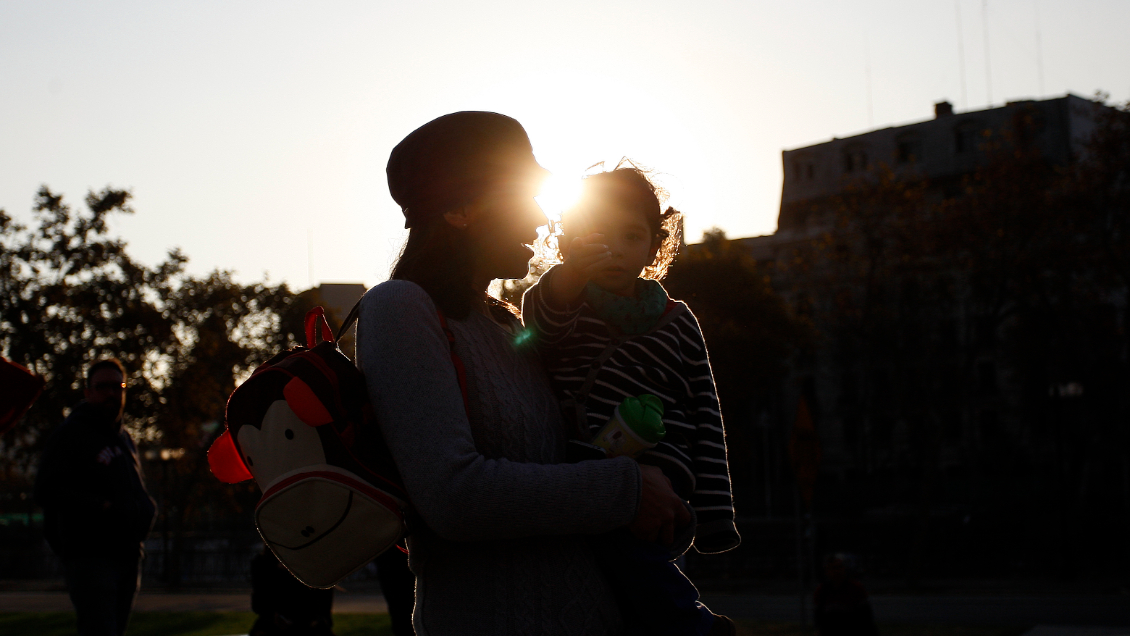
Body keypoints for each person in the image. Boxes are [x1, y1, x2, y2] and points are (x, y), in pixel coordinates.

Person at [355, 111, 691, 636]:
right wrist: (626, 491)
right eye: (525, 195)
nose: (542, 219)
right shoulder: (399, 310)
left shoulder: (511, 325)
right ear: (462, 209)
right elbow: (454, 496)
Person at [521, 166, 740, 636]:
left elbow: (706, 410)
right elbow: (538, 330)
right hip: (582, 462)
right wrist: (570, 277)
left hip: (664, 464)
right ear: (570, 242)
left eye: (631, 235)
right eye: (597, 235)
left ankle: (693, 626)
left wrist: (717, 514)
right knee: (609, 572)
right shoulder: (563, 299)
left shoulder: (678, 320)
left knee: (630, 555)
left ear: (653, 246)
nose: (616, 249)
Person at [34, 358, 156, 636]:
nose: (111, 394)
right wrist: (101, 507)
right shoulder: (71, 434)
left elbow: (134, 490)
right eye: (102, 387)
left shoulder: (125, 439)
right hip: (90, 556)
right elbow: (45, 490)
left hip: (127, 554)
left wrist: (145, 509)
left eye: (118, 387)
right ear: (88, 392)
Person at [250, 546, 335, 636]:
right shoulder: (263, 562)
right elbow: (259, 603)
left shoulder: (316, 564)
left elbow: (323, 608)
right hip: (274, 623)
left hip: (308, 623)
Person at [813, 554, 879, 636]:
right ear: (827, 571)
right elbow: (818, 617)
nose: (836, 571)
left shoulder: (856, 588)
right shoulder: (822, 591)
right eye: (832, 568)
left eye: (839, 567)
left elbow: (866, 616)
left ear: (844, 569)